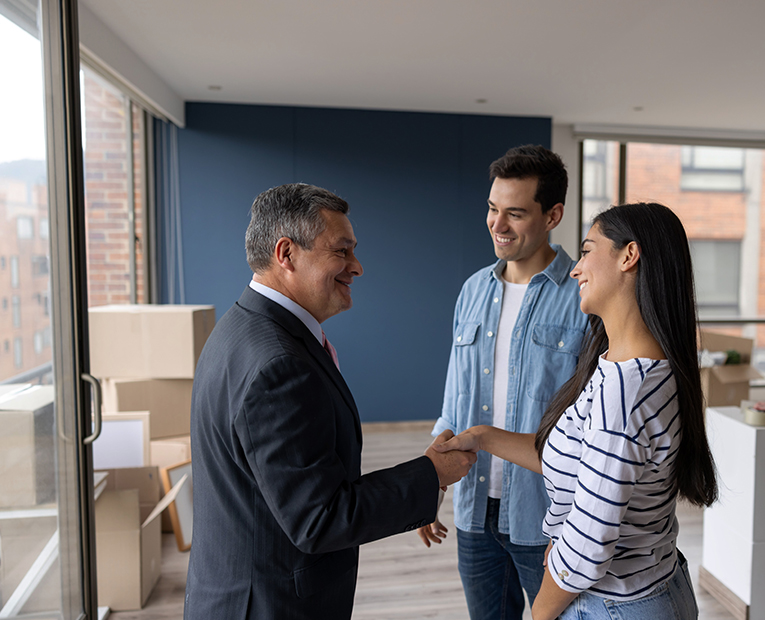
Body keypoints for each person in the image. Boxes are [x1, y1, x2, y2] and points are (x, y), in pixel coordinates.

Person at [184, 183, 476, 620]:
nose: (356, 267)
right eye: (341, 252)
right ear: (287, 254)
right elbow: (318, 518)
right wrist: (431, 473)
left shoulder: (239, 329)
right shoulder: (278, 364)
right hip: (269, 606)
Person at [434, 203, 719, 620]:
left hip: (612, 605)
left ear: (629, 256)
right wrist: (481, 436)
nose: (576, 268)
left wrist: (541, 614)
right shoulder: (629, 366)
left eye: (587, 251)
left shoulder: (625, 391)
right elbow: (587, 466)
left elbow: (586, 547)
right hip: (653, 585)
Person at [417, 145, 587, 620]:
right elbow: (455, 402)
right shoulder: (473, 290)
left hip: (548, 518)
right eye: (493, 209)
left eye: (515, 213)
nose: (497, 224)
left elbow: (591, 420)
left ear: (553, 214)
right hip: (474, 512)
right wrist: (432, 482)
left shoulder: (583, 297)